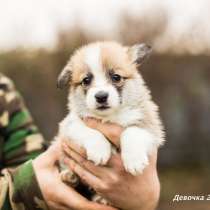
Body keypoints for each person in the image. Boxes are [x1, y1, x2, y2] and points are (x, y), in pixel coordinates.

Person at [0, 73, 160, 210]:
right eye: (86, 81)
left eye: (116, 78)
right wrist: (25, 189)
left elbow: (31, 161)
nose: (101, 91)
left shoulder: (4, 90)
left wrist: (146, 199)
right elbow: (40, 177)